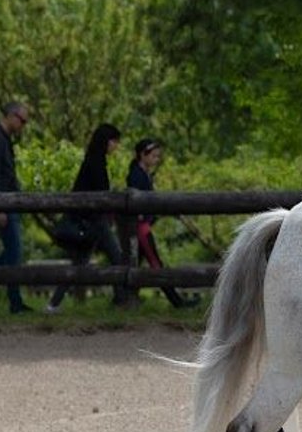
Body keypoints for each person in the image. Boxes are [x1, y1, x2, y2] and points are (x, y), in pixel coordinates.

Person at [45, 123, 129, 312]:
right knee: (116, 258)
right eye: (115, 142)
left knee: (79, 263)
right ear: (107, 142)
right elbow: (100, 193)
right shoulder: (96, 163)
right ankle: (121, 300)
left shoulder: (92, 160)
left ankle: (53, 304)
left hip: (89, 219)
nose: (116, 146)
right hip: (94, 220)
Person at [125, 138, 198, 309]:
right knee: (156, 264)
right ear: (143, 155)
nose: (156, 159)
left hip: (144, 225)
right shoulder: (136, 175)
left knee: (135, 264)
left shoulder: (144, 174)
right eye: (154, 156)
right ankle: (177, 302)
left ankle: (125, 298)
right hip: (141, 227)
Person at [0, 101, 33, 313]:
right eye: (23, 120)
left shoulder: (1, 139)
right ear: (11, 116)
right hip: (3, 204)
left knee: (12, 253)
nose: (23, 125)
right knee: (14, 253)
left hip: (8, 203)